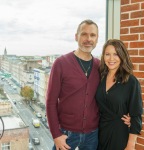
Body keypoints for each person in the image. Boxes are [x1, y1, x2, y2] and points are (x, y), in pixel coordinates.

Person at [46, 20, 130, 150]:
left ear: (97, 39)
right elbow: (50, 102)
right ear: (76, 37)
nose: (88, 39)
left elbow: (111, 94)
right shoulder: (61, 63)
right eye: (84, 34)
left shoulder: (101, 66)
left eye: (92, 35)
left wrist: (127, 115)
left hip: (93, 135)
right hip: (66, 135)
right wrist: (56, 135)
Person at [96, 39, 143, 150]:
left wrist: (130, 145)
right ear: (103, 56)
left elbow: (136, 115)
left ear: (122, 56)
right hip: (101, 133)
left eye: (116, 54)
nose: (111, 59)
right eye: (107, 54)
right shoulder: (101, 77)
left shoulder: (131, 82)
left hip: (120, 134)